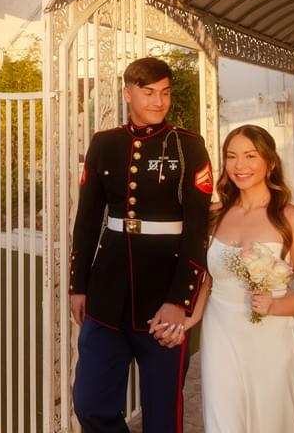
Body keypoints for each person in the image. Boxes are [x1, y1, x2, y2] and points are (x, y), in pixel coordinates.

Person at [68, 56, 215, 433]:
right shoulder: (105, 144)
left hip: (162, 300)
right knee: (89, 404)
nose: (158, 101)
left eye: (165, 93)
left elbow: (197, 230)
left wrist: (179, 301)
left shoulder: (188, 146)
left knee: (163, 416)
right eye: (148, 92)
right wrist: (78, 286)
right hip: (106, 295)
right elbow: (87, 222)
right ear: (127, 93)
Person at [165, 124, 294, 432]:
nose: (240, 166)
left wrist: (273, 307)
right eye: (231, 156)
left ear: (270, 162)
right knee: (223, 418)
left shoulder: (293, 220)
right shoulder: (216, 214)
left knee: (270, 419)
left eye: (250, 156)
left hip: (271, 340)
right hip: (221, 335)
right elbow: (208, 283)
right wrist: (189, 319)